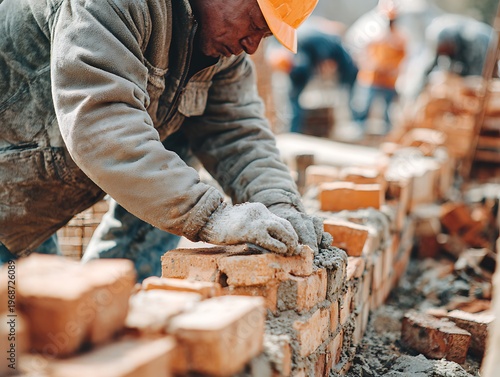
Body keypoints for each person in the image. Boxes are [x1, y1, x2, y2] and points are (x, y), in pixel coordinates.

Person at [0, 0, 333, 279]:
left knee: (81, 320)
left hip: (40, 190)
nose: (253, 46)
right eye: (256, 24)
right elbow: (102, 120)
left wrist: (280, 204)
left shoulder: (220, 51)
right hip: (8, 192)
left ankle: (120, 306)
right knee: (18, 339)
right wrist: (212, 216)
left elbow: (238, 132)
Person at [267, 17, 359, 134]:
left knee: (294, 98)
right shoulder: (329, 41)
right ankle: (294, 129)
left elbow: (324, 63)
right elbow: (324, 63)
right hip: (301, 63)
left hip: (300, 62)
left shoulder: (319, 36)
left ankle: (293, 129)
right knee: (294, 98)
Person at [350, 4, 407, 135]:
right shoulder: (373, 32)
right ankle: (359, 129)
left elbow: (404, 57)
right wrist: (370, 64)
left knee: (388, 108)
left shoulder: (400, 38)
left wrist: (393, 68)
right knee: (363, 105)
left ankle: (388, 133)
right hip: (372, 77)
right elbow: (363, 52)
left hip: (389, 80)